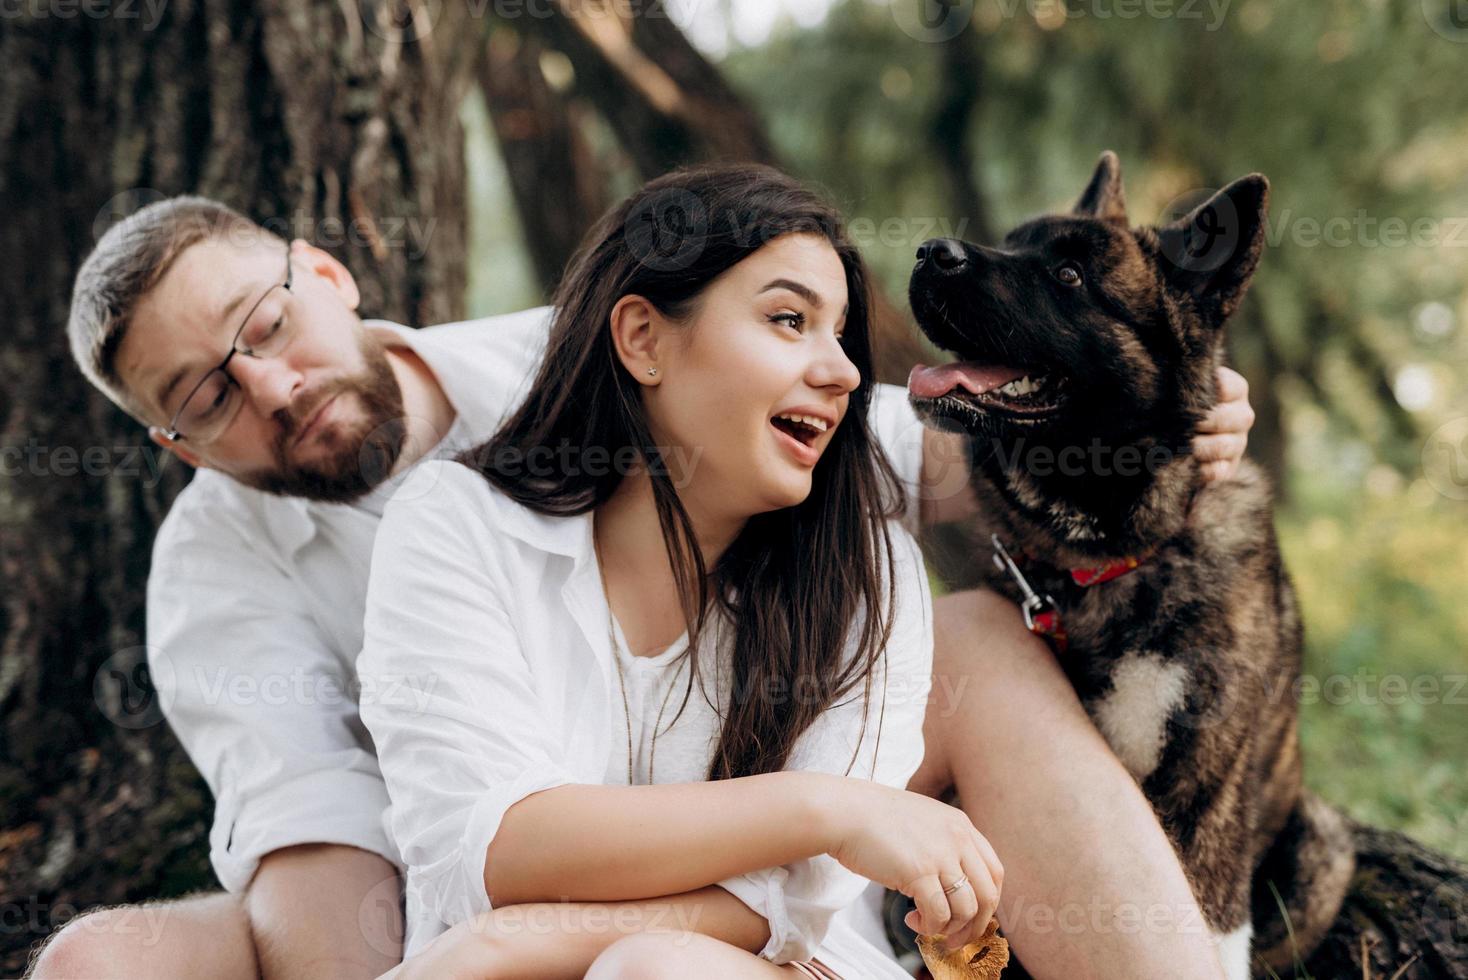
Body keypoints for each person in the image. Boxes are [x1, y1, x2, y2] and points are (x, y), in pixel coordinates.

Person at [31, 163, 1255, 978]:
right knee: (98, 961)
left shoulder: (572, 360)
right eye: (206, 393)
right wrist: (478, 952)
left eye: (266, 326)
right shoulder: (227, 574)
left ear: (328, 276)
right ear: (172, 443)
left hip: (727, 859)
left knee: (976, 640)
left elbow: (916, 448)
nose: (273, 385)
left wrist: (1158, 415)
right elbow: (329, 846)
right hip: (427, 885)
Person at [359, 164, 999, 978]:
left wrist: (507, 942)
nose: (841, 372)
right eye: (788, 319)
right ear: (642, 339)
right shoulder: (456, 523)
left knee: (653, 971)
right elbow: (492, 853)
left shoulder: (869, 574)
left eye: (841, 335)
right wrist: (826, 807)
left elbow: (784, 908)